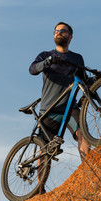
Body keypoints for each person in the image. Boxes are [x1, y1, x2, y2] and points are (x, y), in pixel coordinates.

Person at [29, 22, 90, 160]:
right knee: (44, 150)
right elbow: (32, 69)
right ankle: (41, 181)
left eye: (63, 31)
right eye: (56, 31)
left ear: (70, 37)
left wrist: (98, 79)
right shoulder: (46, 55)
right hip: (49, 109)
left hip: (70, 108)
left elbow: (84, 81)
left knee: (84, 134)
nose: (59, 33)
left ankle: (87, 171)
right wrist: (48, 61)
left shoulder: (77, 58)